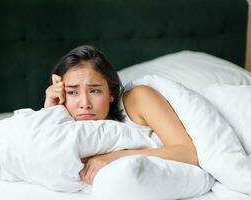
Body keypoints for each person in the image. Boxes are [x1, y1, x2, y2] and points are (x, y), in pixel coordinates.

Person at [44, 45, 198, 185]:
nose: (85, 104)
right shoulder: (69, 123)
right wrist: (50, 112)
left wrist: (115, 158)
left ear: (111, 93)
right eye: (72, 92)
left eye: (94, 90)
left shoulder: (138, 98)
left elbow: (189, 154)